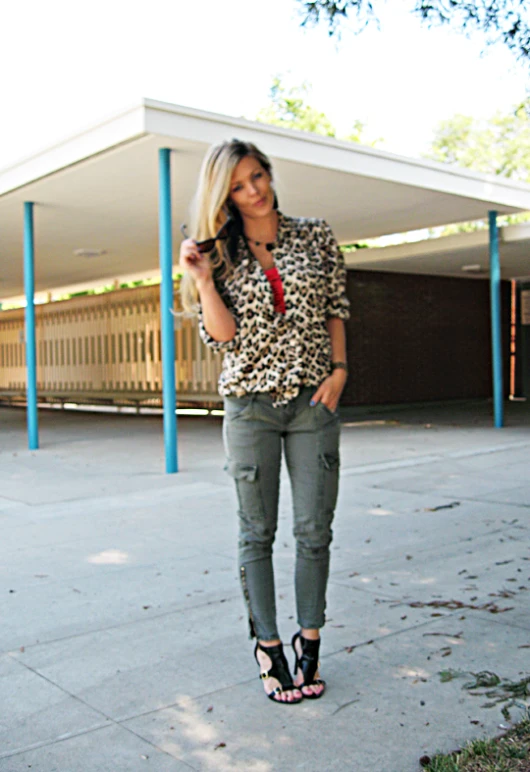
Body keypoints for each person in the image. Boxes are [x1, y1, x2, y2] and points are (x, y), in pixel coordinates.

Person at [179, 138, 350, 704]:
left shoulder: (314, 235)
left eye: (258, 176)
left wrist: (340, 369)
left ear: (269, 174)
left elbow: (335, 307)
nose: (253, 191)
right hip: (250, 406)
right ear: (223, 194)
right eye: (238, 185)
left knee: (313, 531)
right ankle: (268, 645)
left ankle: (310, 642)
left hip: (311, 402)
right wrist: (203, 280)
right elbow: (222, 336)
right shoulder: (217, 251)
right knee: (257, 532)